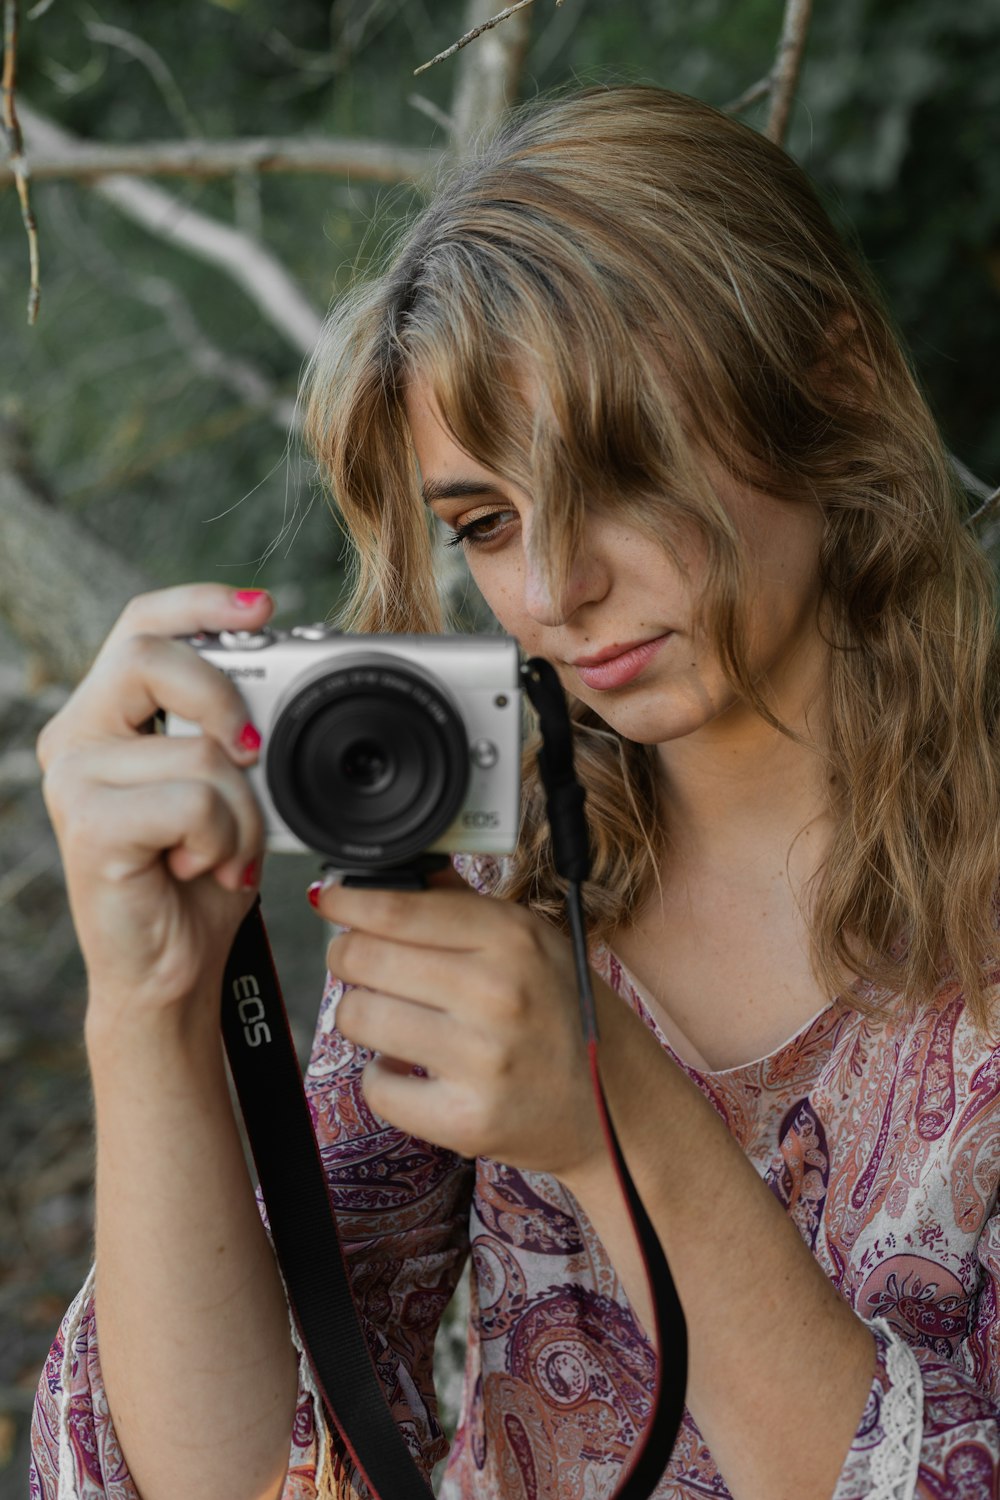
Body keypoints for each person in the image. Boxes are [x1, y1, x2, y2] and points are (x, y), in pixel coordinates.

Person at [28, 83, 1000, 1500]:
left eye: (620, 470)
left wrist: (616, 1120)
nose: (554, 592)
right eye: (485, 521)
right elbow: (243, 1477)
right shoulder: (503, 868)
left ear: (834, 375)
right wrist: (151, 1018)